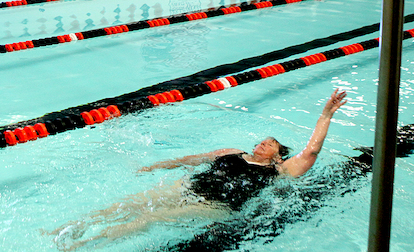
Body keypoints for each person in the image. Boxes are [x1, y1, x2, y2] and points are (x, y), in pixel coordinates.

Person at [48, 89, 347, 250]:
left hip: (216, 206)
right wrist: (158, 165)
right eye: (261, 141)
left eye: (270, 144)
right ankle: (68, 229)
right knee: (129, 204)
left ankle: (86, 245)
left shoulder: (280, 171)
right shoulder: (233, 151)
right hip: (190, 188)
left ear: (279, 156)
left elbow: (311, 152)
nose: (261, 144)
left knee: (151, 217)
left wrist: (326, 115)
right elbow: (195, 158)